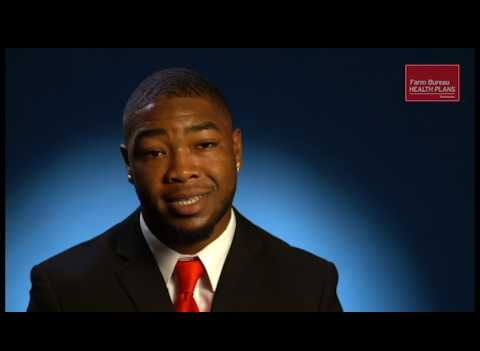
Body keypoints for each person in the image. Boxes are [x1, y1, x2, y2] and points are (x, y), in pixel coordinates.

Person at [27, 68, 343, 312]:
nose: (181, 171)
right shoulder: (63, 289)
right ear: (128, 164)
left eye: (204, 144)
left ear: (236, 151)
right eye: (154, 152)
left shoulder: (309, 285)